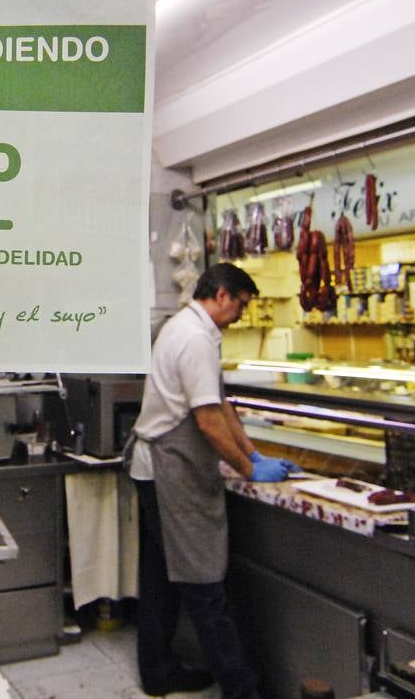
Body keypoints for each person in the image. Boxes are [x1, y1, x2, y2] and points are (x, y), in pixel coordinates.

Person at [125, 262, 298, 698]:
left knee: (161, 580)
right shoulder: (196, 338)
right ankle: (243, 690)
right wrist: (247, 468)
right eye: (239, 304)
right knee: (204, 585)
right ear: (221, 294)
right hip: (171, 473)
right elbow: (207, 421)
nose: (241, 314)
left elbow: (220, 404)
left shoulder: (185, 326)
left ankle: (158, 671)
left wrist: (252, 452)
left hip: (156, 470)